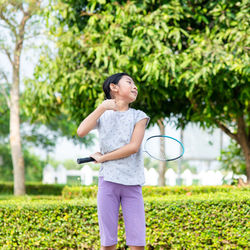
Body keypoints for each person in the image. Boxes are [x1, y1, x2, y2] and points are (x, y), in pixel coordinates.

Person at [77, 73, 150, 250]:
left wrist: (103, 157)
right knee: (108, 243)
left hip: (132, 183)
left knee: (137, 244)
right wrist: (101, 108)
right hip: (108, 182)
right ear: (114, 87)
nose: (135, 87)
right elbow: (81, 131)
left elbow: (133, 147)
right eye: (129, 82)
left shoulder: (139, 116)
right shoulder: (102, 115)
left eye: (135, 84)